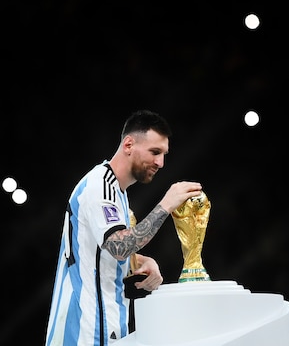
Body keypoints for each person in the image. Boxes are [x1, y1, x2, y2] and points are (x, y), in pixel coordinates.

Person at [44, 109, 203, 346]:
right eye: (155, 152)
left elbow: (100, 253)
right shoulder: (100, 186)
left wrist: (141, 261)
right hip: (84, 331)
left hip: (103, 325)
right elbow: (119, 247)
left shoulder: (117, 192)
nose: (161, 163)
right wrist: (166, 205)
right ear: (129, 144)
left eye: (164, 154)